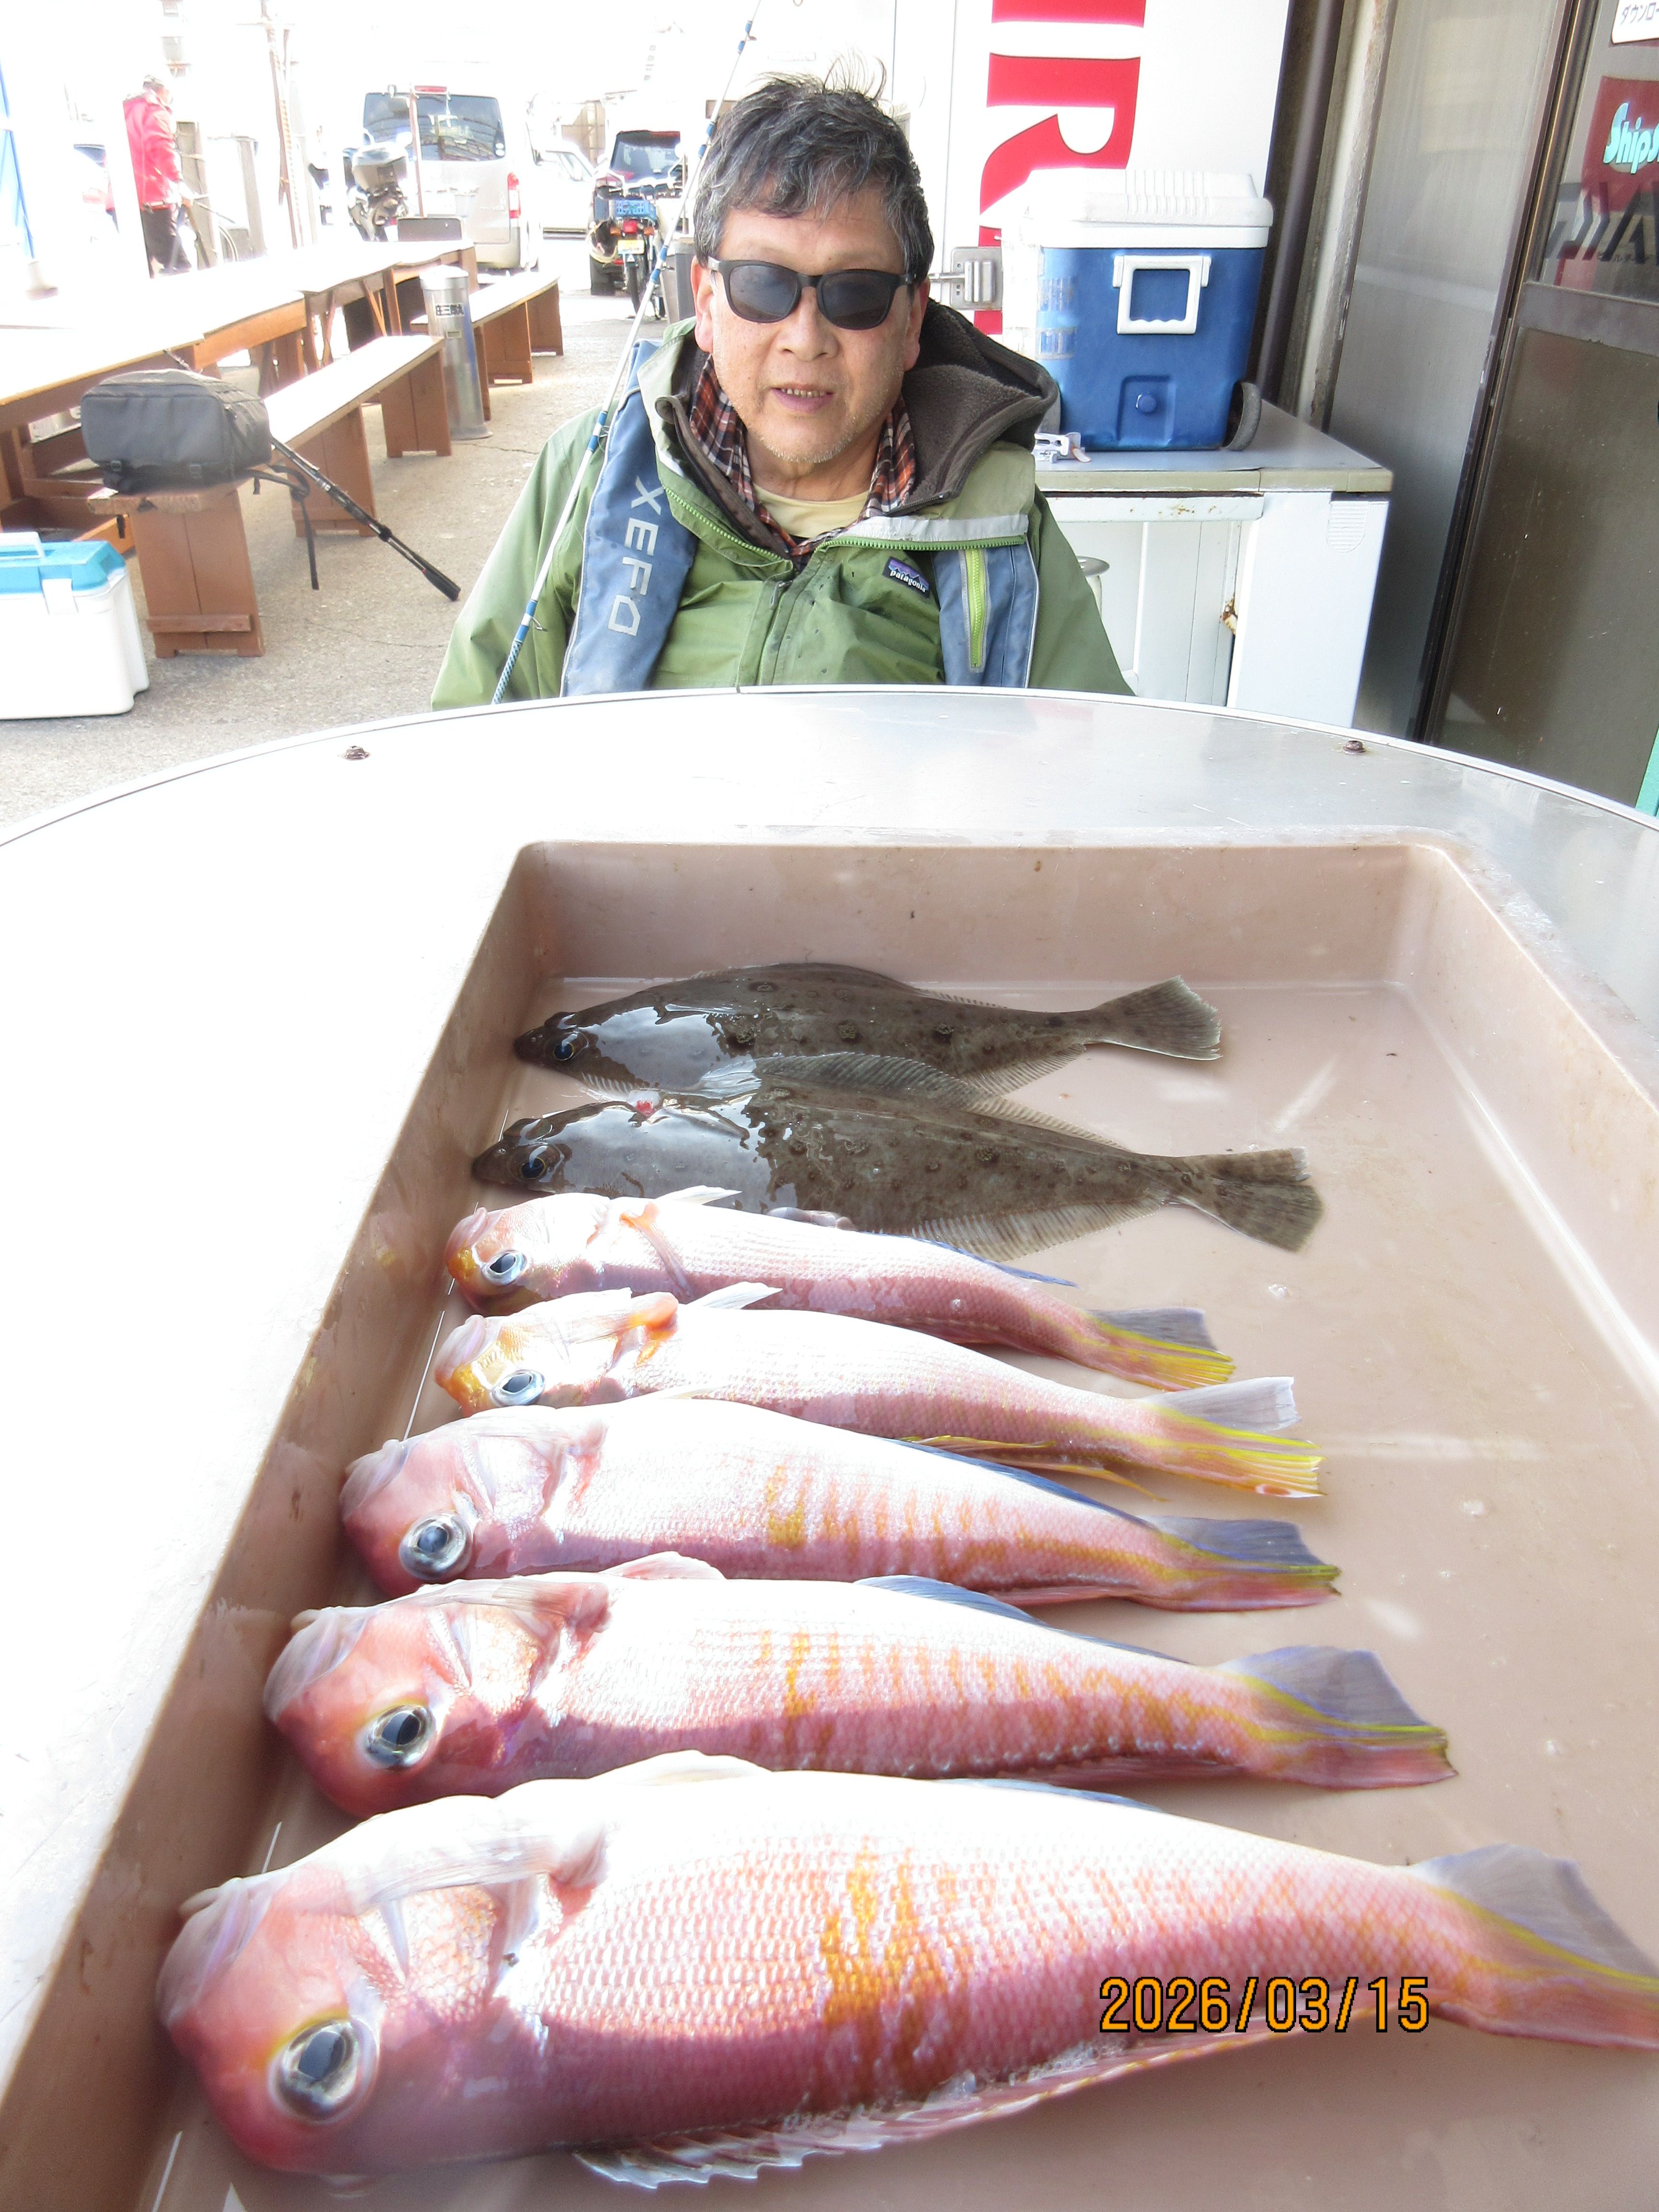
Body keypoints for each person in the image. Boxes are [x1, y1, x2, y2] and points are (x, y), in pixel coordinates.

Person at [432, 74, 1128, 704]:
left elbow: (1083, 762)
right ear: (707, 303)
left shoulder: (999, 519)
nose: (806, 337)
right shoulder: (591, 472)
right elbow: (475, 733)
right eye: (763, 286)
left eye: (856, 293)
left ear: (913, 320)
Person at [124, 75, 192, 276]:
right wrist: (178, 181)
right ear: (163, 91)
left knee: (142, 266)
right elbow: (161, 148)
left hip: (122, 199)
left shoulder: (124, 110)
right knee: (176, 262)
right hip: (150, 198)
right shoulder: (153, 110)